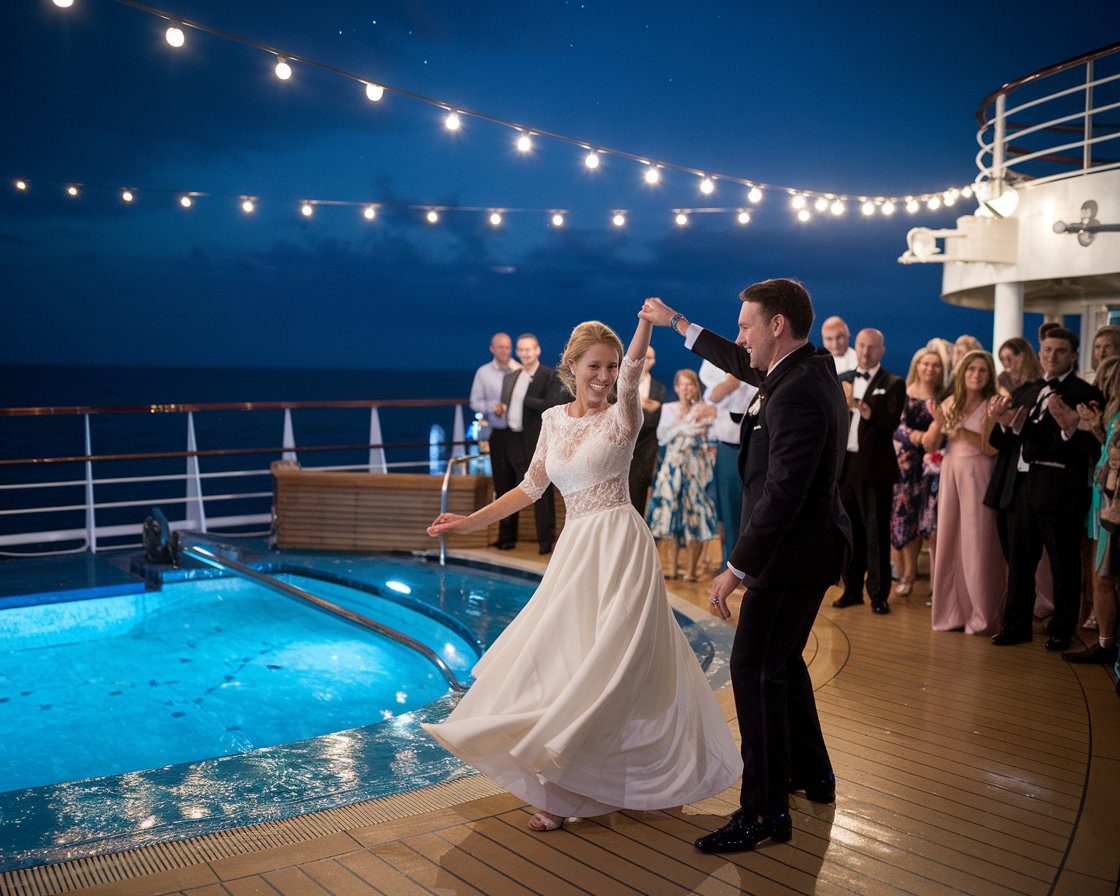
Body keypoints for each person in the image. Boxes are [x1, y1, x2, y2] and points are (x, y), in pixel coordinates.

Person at [423, 314, 742, 833]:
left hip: (622, 547)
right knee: (567, 662)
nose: (604, 375)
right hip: (577, 550)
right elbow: (528, 489)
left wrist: (646, 324)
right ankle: (563, 784)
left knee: (612, 669)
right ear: (572, 366)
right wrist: (466, 523)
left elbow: (636, 370)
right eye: (595, 365)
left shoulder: (624, 415)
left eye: (611, 367)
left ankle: (607, 783)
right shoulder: (551, 420)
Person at [641, 280, 851, 854]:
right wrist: (678, 323)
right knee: (781, 663)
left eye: (746, 325)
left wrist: (735, 567)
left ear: (776, 325)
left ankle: (763, 812)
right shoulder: (799, 371)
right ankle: (812, 773)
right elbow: (737, 359)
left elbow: (784, 491)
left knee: (753, 669)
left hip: (791, 556)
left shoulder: (798, 390)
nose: (740, 336)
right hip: (804, 551)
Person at [988, 327, 1104, 650]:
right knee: (1020, 560)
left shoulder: (1085, 393)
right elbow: (1004, 443)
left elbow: (1086, 448)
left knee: (1063, 563)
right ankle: (1015, 625)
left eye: (1060, 351)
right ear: (1039, 353)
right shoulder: (1027, 390)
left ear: (1073, 355)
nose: (1052, 356)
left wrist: (1066, 427)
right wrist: (1000, 420)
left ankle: (1062, 629)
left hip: (1059, 490)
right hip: (1020, 487)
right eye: (1047, 350)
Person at [930, 351, 1005, 635]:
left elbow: (991, 448)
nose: (976, 374)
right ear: (962, 373)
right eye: (971, 369)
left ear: (989, 376)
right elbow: (932, 443)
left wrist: (958, 428)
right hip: (951, 471)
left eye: (982, 370)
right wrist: (939, 421)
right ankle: (952, 612)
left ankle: (983, 615)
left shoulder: (993, 405)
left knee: (979, 543)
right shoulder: (950, 402)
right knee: (949, 541)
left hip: (980, 474)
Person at [834, 329, 907, 614]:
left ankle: (878, 595)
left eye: (872, 347)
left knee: (876, 533)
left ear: (882, 350)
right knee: (848, 533)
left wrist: (863, 408)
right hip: (846, 466)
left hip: (875, 468)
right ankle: (851, 590)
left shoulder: (893, 383)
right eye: (862, 346)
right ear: (856, 347)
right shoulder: (843, 379)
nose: (866, 352)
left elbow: (890, 423)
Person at [646, 368, 718, 581]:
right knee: (670, 514)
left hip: (696, 469)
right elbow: (662, 436)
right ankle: (672, 567)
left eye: (690, 384)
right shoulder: (668, 408)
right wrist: (683, 428)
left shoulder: (703, 409)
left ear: (696, 387)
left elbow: (706, 432)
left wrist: (680, 429)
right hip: (672, 468)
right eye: (682, 384)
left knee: (695, 514)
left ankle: (691, 569)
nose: (686, 388)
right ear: (676, 387)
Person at [500, 334, 569, 554]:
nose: (525, 353)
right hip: (512, 437)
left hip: (537, 438)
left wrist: (525, 400)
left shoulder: (549, 374)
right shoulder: (512, 376)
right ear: (517, 352)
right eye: (521, 350)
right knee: (513, 486)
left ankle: (545, 541)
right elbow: (506, 403)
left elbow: (554, 404)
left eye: (529, 349)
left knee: (541, 489)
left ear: (537, 350)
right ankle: (508, 538)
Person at [890, 348, 945, 597]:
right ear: (917, 365)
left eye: (935, 365)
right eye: (925, 364)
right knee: (902, 520)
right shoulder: (904, 392)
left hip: (933, 470)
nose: (929, 369)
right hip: (905, 467)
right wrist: (919, 436)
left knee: (925, 523)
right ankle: (904, 573)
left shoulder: (944, 398)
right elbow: (896, 426)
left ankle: (918, 577)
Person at [699, 360, 757, 565]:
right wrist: (733, 379)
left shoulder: (763, 362)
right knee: (729, 511)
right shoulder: (717, 365)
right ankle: (731, 564)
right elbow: (712, 398)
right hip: (728, 449)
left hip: (756, 447)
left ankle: (751, 566)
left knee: (755, 509)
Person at [469, 332, 521, 549]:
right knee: (501, 484)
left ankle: (515, 536)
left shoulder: (520, 370)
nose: (504, 351)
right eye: (500, 347)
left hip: (518, 434)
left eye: (508, 347)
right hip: (497, 433)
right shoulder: (483, 373)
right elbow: (474, 402)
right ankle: (504, 536)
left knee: (520, 484)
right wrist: (492, 408)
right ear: (492, 349)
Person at [627, 345, 666, 514]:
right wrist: (645, 404)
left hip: (646, 448)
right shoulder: (623, 382)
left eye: (650, 358)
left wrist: (634, 402)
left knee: (639, 493)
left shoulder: (658, 388)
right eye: (643, 356)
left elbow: (654, 418)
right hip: (624, 444)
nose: (646, 361)